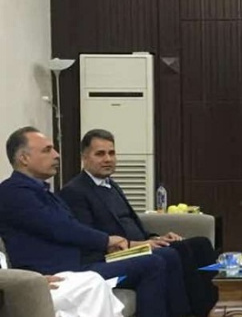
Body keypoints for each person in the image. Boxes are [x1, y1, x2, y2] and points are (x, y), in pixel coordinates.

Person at [0, 126, 177, 317]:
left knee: (162, 255)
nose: (56, 155)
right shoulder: (13, 192)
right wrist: (107, 241)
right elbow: (60, 228)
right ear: (24, 158)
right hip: (61, 272)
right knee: (151, 264)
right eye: (47, 150)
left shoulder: (42, 191)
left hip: (84, 261)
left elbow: (71, 226)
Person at [60, 129, 218, 317]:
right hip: (112, 255)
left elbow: (131, 223)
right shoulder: (75, 191)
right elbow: (90, 237)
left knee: (200, 244)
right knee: (171, 254)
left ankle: (214, 308)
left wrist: (154, 238)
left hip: (138, 246)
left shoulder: (111, 185)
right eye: (100, 154)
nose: (108, 159)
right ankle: (187, 313)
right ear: (84, 158)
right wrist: (137, 245)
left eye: (111, 153)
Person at [0, 251, 124, 317]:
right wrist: (28, 285)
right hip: (15, 294)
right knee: (92, 285)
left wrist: (36, 280)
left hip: (25, 284)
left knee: (90, 279)